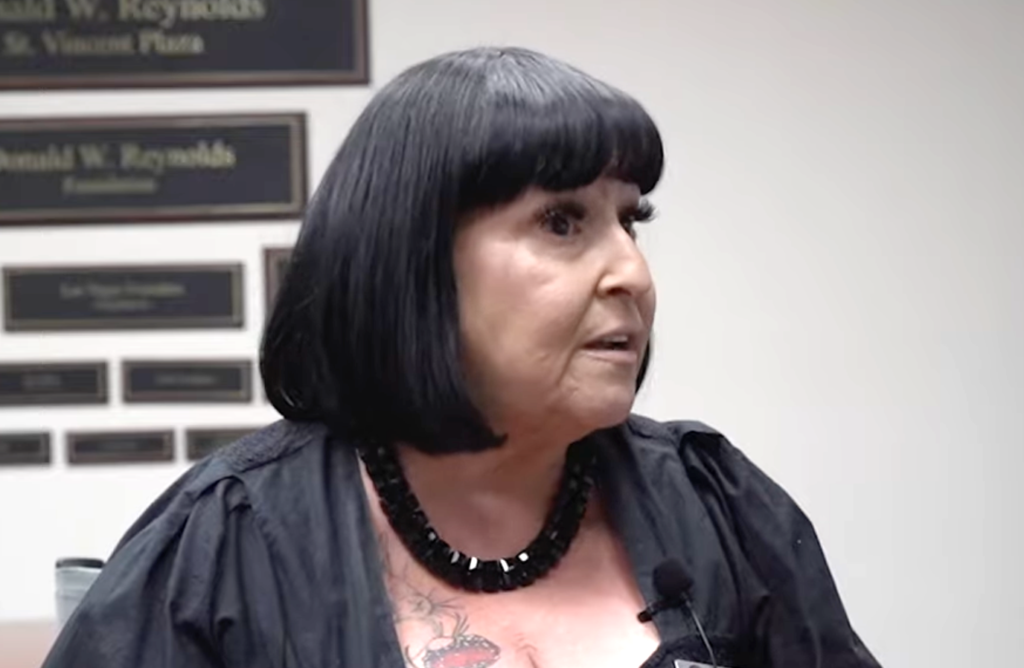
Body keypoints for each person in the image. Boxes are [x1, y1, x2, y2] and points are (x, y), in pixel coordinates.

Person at [42, 47, 881, 668]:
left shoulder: (718, 509)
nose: (632, 273)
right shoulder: (224, 547)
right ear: (414, 262)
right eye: (561, 222)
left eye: (632, 220)